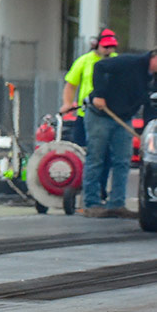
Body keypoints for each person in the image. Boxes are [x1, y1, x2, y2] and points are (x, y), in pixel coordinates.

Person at [81, 49, 157, 218]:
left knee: (123, 161)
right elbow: (99, 66)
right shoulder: (130, 62)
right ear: (154, 57)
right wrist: (99, 94)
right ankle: (91, 204)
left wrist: (148, 133)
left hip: (124, 119)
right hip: (101, 115)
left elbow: (150, 107)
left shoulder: (153, 80)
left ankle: (117, 203)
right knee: (96, 158)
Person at [61, 29, 118, 146]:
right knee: (81, 147)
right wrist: (67, 103)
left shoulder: (117, 61)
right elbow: (71, 84)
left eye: (111, 47)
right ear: (97, 45)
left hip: (110, 113)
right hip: (85, 113)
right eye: (105, 47)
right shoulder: (84, 60)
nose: (108, 50)